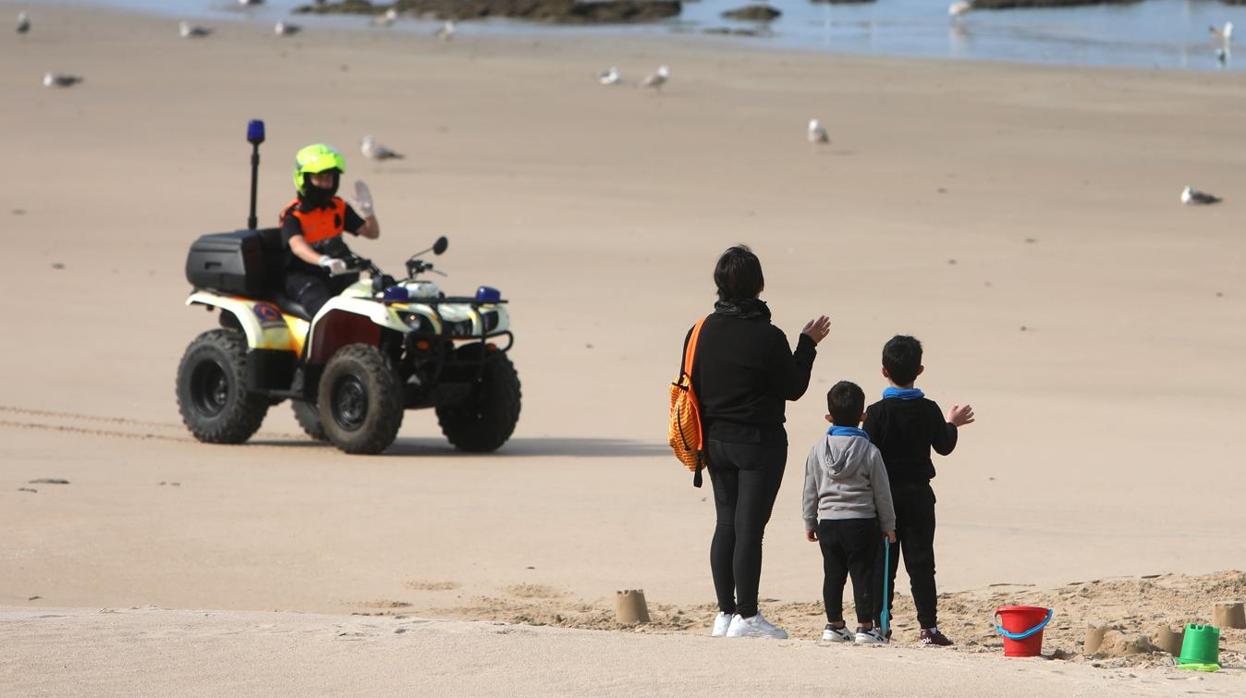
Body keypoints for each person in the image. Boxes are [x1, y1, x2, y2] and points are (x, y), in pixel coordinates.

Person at [689, 245, 831, 639]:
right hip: (758, 444)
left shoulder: (699, 331)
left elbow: (692, 384)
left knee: (726, 524)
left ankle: (725, 614)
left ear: (719, 284)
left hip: (714, 442)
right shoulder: (768, 336)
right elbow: (794, 387)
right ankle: (747, 617)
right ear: (759, 285)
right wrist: (807, 344)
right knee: (750, 529)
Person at [863, 335, 974, 646]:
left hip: (884, 498)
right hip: (919, 496)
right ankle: (928, 628)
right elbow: (944, 446)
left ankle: (879, 625)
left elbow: (865, 450)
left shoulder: (876, 412)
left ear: (884, 370)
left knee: (884, 562)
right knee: (922, 562)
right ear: (920, 370)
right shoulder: (928, 409)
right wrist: (952, 424)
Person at [802, 381, 896, 645]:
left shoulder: (817, 450)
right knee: (862, 574)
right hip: (861, 522)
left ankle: (834, 624)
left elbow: (810, 488)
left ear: (829, 417)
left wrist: (810, 520)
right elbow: (882, 493)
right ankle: (865, 627)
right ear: (863, 416)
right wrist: (889, 525)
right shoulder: (869, 450)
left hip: (829, 522)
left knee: (833, 574)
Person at [280, 143, 379, 318]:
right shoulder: (293, 215)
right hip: (304, 277)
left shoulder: (338, 207)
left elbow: (372, 233)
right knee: (327, 314)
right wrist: (323, 260)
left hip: (338, 274)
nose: (326, 184)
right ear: (304, 178)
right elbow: (297, 246)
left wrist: (369, 213)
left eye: (330, 178)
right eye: (320, 178)